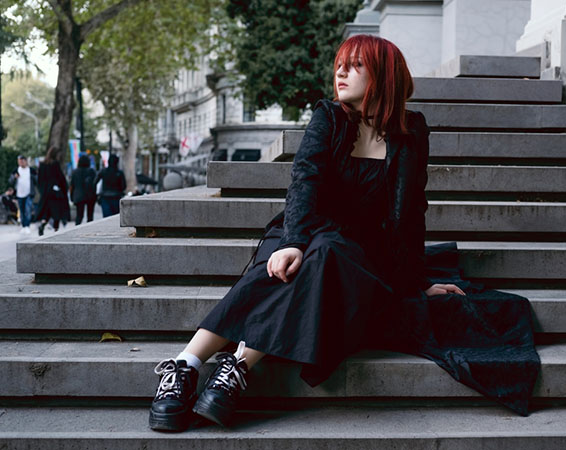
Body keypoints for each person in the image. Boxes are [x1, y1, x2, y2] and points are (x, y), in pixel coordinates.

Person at [148, 34, 540, 433]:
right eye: (339, 63)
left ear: (383, 75)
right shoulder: (328, 117)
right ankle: (190, 366)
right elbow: (304, 181)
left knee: (330, 255)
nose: (340, 71)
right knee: (304, 261)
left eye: (355, 65)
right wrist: (294, 242)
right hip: (304, 232)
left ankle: (228, 364)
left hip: (359, 256)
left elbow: (411, 212)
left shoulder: (412, 131)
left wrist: (415, 282)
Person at [35, 146, 70, 236]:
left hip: (46, 193)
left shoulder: (42, 164)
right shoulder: (55, 164)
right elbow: (60, 178)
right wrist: (64, 188)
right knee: (56, 211)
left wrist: (42, 191)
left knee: (47, 211)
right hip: (55, 192)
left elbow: (39, 180)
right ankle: (56, 229)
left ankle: (43, 224)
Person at [9, 155, 38, 234]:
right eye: (19, 161)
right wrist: (14, 177)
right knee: (21, 211)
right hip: (19, 194)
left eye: (22, 161)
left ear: (25, 161)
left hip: (29, 193)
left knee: (27, 210)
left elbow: (37, 181)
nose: (20, 163)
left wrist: (33, 177)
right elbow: (10, 181)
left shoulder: (31, 170)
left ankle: (27, 226)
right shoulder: (16, 171)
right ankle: (23, 226)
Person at [69, 155, 97, 225]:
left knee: (79, 216)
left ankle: (76, 230)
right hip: (90, 195)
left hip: (78, 195)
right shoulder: (91, 171)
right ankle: (90, 230)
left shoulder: (75, 172)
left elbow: (72, 185)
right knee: (90, 216)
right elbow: (94, 183)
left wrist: (71, 196)